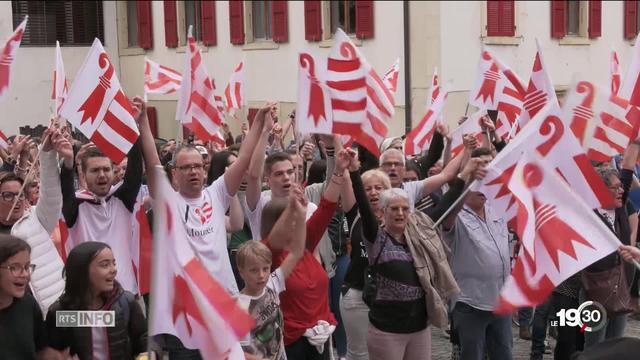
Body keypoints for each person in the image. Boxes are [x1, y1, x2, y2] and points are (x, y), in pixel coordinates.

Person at [137, 97, 267, 357]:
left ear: (205, 171)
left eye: (197, 166)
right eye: (186, 167)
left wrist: (258, 122)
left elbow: (243, 159)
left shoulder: (217, 194)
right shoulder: (168, 203)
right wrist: (143, 122)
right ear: (174, 173)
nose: (193, 171)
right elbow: (152, 162)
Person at [359, 150, 481, 360]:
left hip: (418, 327)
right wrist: (353, 171)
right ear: (383, 210)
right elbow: (362, 202)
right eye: (394, 209)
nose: (400, 213)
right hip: (387, 329)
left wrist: (465, 174)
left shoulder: (419, 229)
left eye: (405, 209)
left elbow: (444, 204)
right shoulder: (377, 238)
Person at [262, 149, 351, 360]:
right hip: (292, 342)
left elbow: (326, 208)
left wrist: (338, 171)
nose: (297, 220)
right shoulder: (270, 256)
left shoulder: (305, 246)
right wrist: (292, 207)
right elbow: (273, 240)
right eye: (289, 218)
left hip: (321, 335)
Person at [443, 147, 513, 360]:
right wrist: (465, 177)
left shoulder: (496, 207)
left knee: (504, 355)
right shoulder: (456, 214)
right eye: (477, 184)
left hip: (501, 302)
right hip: (471, 304)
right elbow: (449, 209)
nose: (483, 189)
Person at [59, 121, 143, 293]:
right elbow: (65, 190)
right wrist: (67, 163)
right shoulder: (75, 206)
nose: (102, 175)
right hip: (89, 297)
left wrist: (133, 129)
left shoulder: (123, 198)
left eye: (106, 169)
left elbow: (135, 170)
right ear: (83, 174)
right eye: (95, 170)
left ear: (114, 171)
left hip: (126, 293)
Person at [237, 186, 307, 360]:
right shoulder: (239, 306)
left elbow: (297, 251)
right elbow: (233, 350)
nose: (261, 275)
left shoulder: (272, 284)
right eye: (254, 270)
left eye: (265, 269)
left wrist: (300, 216)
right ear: (241, 271)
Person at [46, 242, 147, 359]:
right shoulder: (61, 312)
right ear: (82, 271)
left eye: (113, 263)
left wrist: (150, 354)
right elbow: (53, 351)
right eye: (105, 265)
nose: (113, 270)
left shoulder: (126, 303)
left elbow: (145, 339)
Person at [581, 141, 639, 348]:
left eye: (620, 187)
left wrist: (636, 140)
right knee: (594, 346)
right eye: (614, 188)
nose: (621, 191)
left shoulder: (620, 207)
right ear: (598, 191)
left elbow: (628, 168)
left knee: (616, 344)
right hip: (594, 290)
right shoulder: (588, 214)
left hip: (621, 287)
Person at [10, 127, 68, 314]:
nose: (16, 200)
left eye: (20, 195)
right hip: (17, 317)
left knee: (97, 326)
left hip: (58, 310)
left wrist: (48, 154)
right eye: (7, 196)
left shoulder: (35, 218)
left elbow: (51, 195)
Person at [341, 163, 391, 360]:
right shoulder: (355, 213)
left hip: (389, 298)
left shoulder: (398, 217)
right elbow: (345, 178)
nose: (373, 192)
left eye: (379, 187)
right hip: (357, 296)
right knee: (360, 355)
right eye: (367, 188)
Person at [0, 234, 62, 359]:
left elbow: (40, 349)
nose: (25, 274)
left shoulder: (27, 303)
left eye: (27, 267)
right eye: (15, 268)